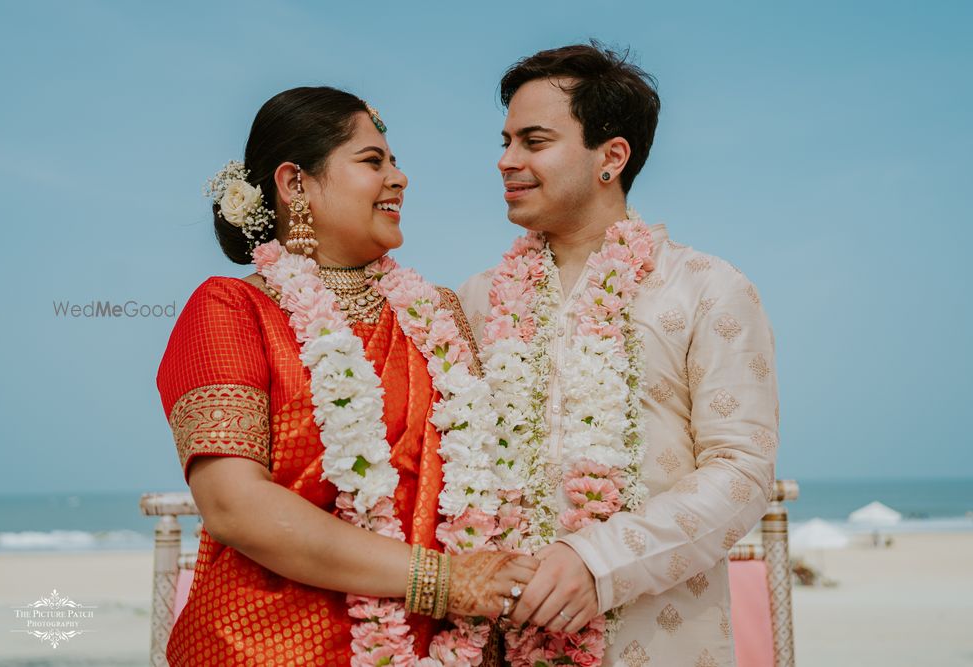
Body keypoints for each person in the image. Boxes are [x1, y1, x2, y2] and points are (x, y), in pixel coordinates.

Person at [156, 86, 537, 666]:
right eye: (372, 161)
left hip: (435, 647)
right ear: (294, 184)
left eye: (395, 160)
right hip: (265, 645)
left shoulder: (434, 312)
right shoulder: (230, 310)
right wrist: (446, 581)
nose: (399, 177)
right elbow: (234, 505)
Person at [459, 43, 780, 666]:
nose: (506, 161)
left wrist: (598, 561)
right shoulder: (475, 302)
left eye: (533, 141)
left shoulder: (706, 288)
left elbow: (741, 473)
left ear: (612, 156)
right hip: (499, 639)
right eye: (505, 142)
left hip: (656, 641)